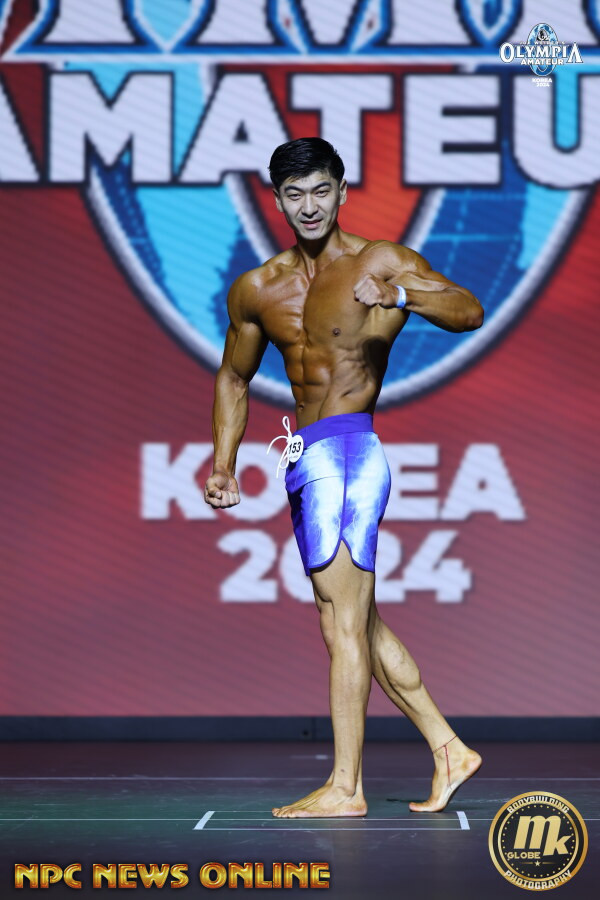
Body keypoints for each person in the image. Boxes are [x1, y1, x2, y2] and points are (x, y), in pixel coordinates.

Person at [204, 137, 484, 819]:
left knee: (343, 625)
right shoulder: (258, 287)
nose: (309, 206)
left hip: (349, 453)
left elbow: (468, 310)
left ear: (342, 192)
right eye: (295, 194)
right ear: (277, 200)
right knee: (354, 621)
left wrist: (401, 295)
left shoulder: (378, 260)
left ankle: (346, 786)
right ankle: (449, 748)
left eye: (321, 190)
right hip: (306, 458)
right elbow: (234, 377)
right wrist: (223, 464)